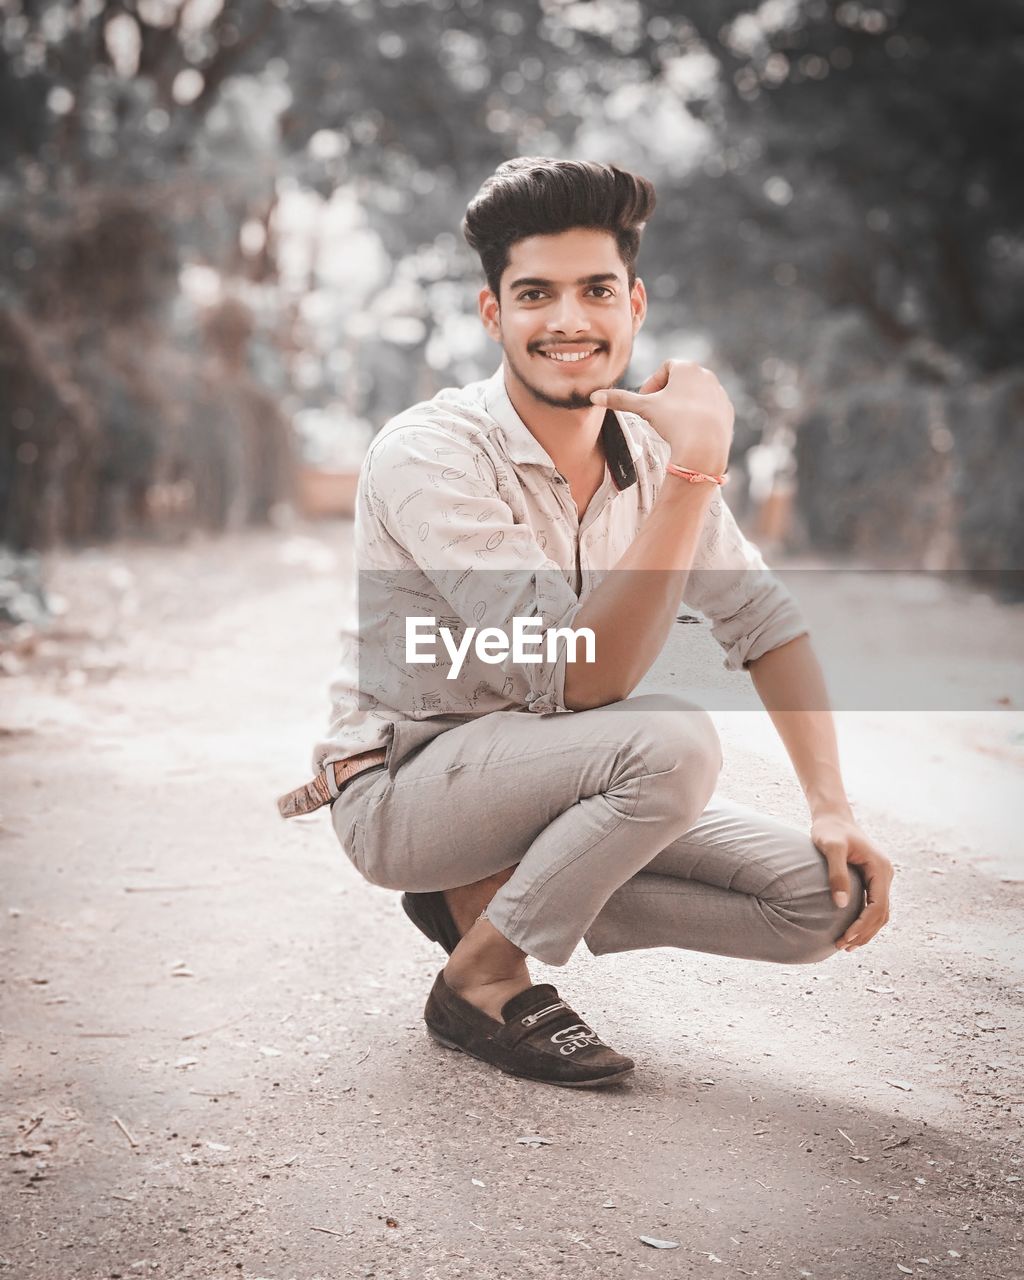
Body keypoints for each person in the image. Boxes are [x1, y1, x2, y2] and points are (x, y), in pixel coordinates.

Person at [279, 157, 893, 1089]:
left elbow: (767, 622)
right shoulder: (429, 454)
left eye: (596, 290)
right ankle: (480, 977)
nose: (569, 320)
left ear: (634, 305)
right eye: (535, 294)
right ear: (495, 315)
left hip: (558, 781)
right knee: (671, 741)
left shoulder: (647, 449)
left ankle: (492, 901)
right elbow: (580, 675)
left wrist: (832, 809)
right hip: (408, 789)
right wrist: (696, 476)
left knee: (823, 903)